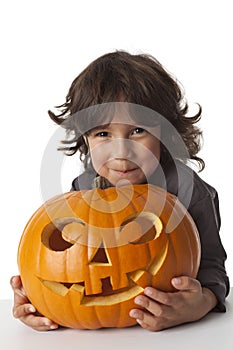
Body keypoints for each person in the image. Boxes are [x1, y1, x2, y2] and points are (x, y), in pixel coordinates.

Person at [11, 50, 229, 332]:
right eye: (102, 134)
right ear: (85, 139)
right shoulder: (82, 189)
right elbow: (62, 263)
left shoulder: (188, 190)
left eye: (138, 131)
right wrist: (37, 301)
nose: (121, 151)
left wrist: (203, 302)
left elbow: (213, 267)